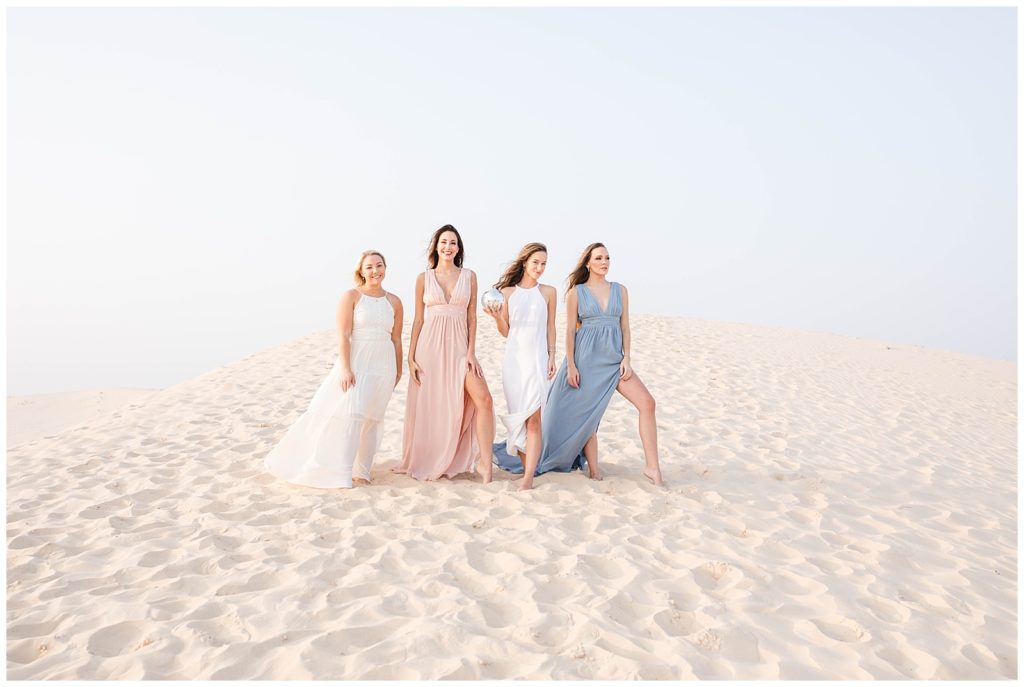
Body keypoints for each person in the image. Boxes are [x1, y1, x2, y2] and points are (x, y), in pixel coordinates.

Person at [498, 242, 664, 485]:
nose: (604, 262)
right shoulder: (577, 292)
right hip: (585, 361)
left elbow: (625, 327)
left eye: (607, 258)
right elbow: (569, 332)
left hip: (614, 361)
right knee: (588, 417)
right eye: (598, 258)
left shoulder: (621, 290)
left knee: (648, 403)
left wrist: (627, 357)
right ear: (588, 263)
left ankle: (652, 467)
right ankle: (592, 470)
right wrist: (572, 366)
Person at [265, 250, 403, 488]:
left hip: (385, 366)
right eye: (369, 267)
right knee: (353, 414)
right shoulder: (352, 296)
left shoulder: (395, 301)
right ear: (361, 271)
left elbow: (397, 339)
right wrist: (346, 368)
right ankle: (341, 471)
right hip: (358, 363)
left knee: (373, 418)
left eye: (379, 266)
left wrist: (398, 371)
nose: (375, 271)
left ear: (386, 268)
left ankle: (363, 472)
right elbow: (344, 335)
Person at [394, 224, 494, 482]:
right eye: (444, 242)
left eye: (453, 243)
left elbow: (472, 318)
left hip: (461, 348)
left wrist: (471, 353)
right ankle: (432, 456)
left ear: (458, 248)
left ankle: (485, 463)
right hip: (429, 348)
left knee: (483, 399)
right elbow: (418, 320)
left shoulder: (469, 276)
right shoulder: (422, 278)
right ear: (436, 246)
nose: (448, 247)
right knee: (432, 404)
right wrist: (410, 357)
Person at [484, 242, 557, 491]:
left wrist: (552, 356)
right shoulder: (506, 292)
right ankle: (527, 470)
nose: (539, 267)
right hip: (514, 363)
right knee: (520, 419)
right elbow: (507, 332)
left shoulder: (548, 292)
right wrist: (496, 318)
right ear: (525, 262)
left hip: (537, 360)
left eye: (544, 263)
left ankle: (528, 477)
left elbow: (551, 328)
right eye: (536, 262)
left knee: (534, 418)